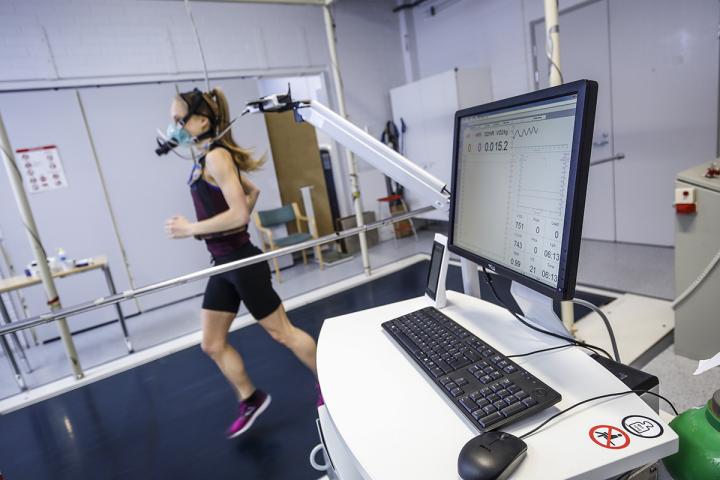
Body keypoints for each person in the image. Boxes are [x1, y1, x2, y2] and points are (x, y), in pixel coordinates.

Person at [162, 87, 321, 439]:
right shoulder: (206, 156)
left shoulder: (217, 156)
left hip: (242, 262)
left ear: (202, 120)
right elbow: (251, 194)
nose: (173, 126)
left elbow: (236, 213)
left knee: (284, 333)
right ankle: (250, 398)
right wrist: (227, 228)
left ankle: (329, 384)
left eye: (178, 119)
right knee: (212, 343)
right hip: (222, 263)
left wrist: (192, 229)